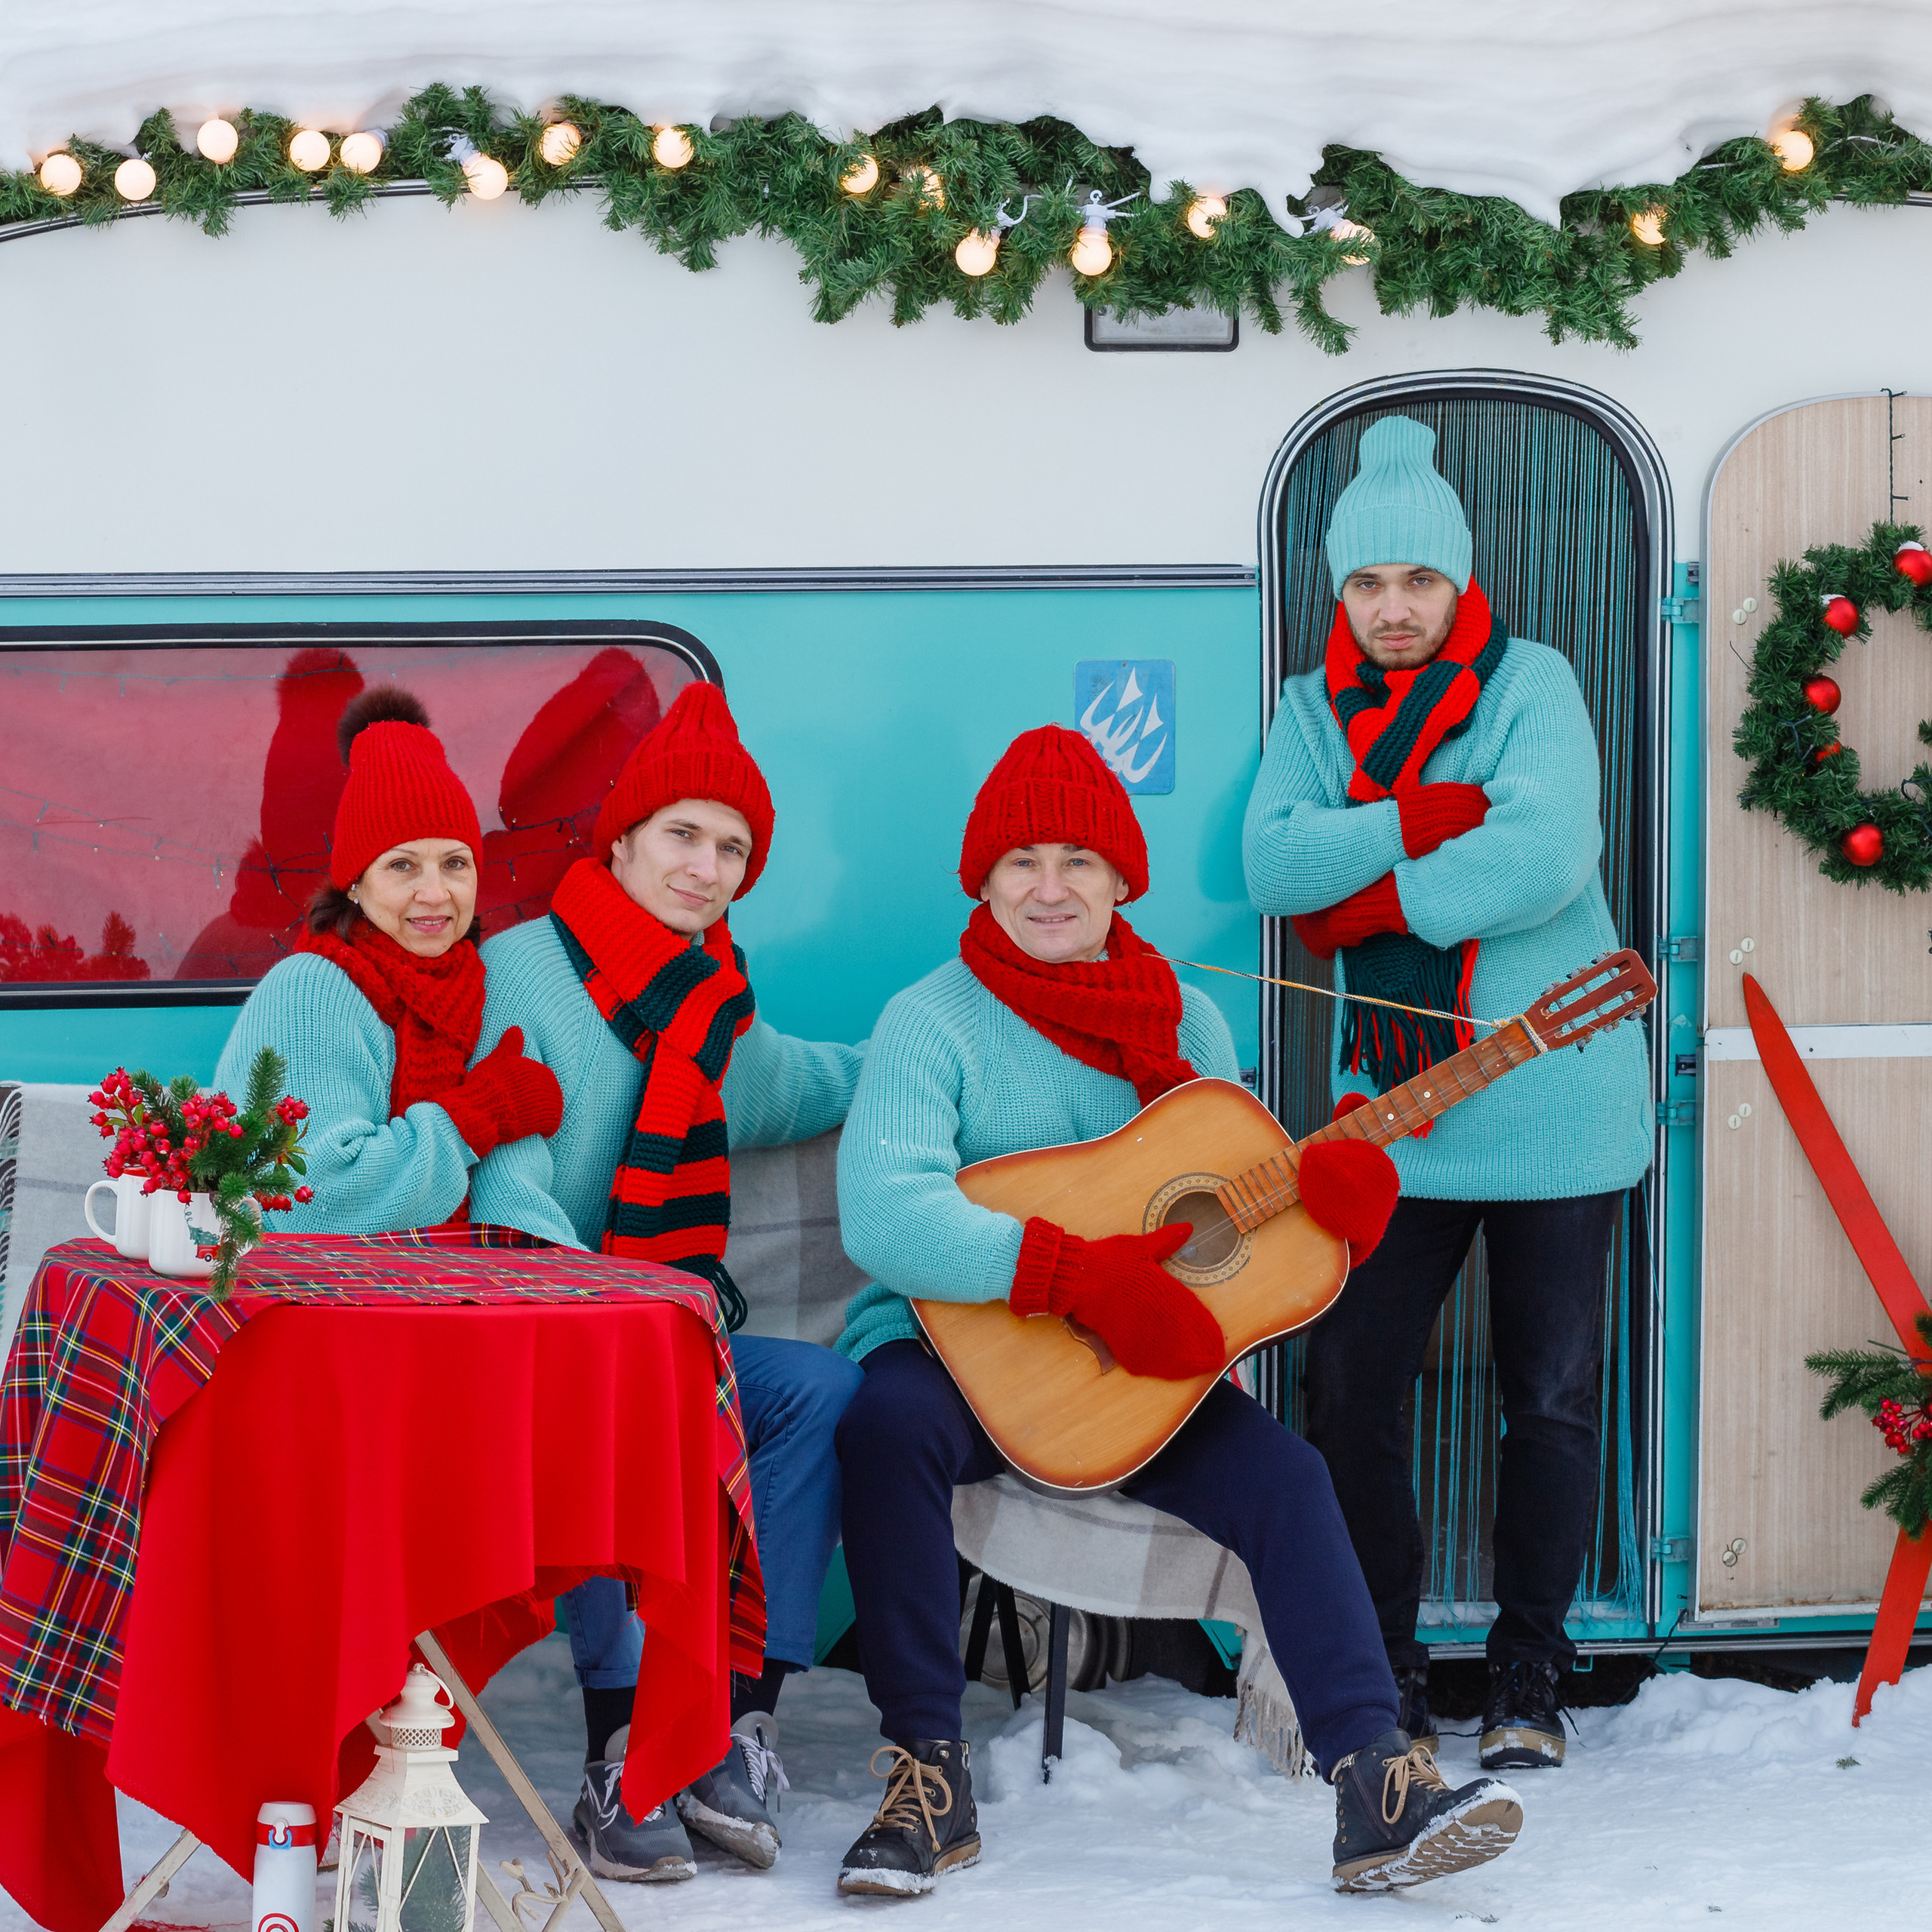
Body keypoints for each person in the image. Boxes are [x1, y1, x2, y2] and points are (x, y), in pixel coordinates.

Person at [829, 724, 1525, 1898]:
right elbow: (885, 1218)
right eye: (1022, 864)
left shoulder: (1189, 1026)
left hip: (1138, 1370)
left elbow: (1229, 1227)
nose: (1050, 889)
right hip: (958, 1345)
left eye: (1079, 863)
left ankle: (1374, 1785)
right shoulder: (930, 1020)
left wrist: (1332, 1209)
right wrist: (1070, 1275)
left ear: (1120, 882)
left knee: (1289, 1477)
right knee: (881, 1425)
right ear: (984, 881)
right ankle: (927, 1777)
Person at [1241, 417, 1653, 1771]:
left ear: (1459, 582)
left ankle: (1532, 1668)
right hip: (1398, 1124)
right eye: (1367, 586)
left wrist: (1361, 884)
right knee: (1350, 1384)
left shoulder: (1535, 681)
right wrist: (1423, 820)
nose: (1394, 610)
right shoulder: (1312, 708)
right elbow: (1273, 870)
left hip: (1556, 1096)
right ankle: (1385, 1667)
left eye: (1417, 581)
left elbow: (1542, 858)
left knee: (1550, 1397)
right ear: (1338, 595)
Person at [470, 681, 865, 1883]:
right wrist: (616, 1310)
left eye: (733, 848)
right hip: (535, 1336)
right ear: (625, 838)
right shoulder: (524, 971)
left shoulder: (708, 1005)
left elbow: (795, 1085)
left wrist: (920, 1056)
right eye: (683, 836)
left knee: (817, 1391)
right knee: (625, 1388)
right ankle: (622, 1750)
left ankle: (737, 1722)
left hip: (656, 1335)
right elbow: (507, 1182)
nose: (705, 867)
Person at [214, 688, 562, 1230]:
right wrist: (480, 1113)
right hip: (305, 1296)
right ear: (355, 883)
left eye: (455, 863)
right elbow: (315, 1200)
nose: (435, 893)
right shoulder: (312, 989)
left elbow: (510, 1202)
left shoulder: (474, 989)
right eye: (402, 866)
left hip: (434, 1288)